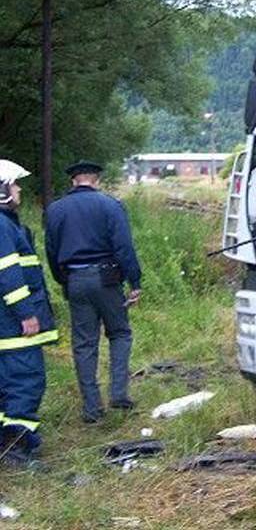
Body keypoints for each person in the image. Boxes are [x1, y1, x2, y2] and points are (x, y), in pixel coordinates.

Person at [45, 160, 141, 423]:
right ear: (95, 180)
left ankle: (92, 408)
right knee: (120, 333)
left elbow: (51, 251)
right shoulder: (111, 205)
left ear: (72, 181)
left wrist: (63, 280)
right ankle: (119, 394)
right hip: (107, 278)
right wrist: (135, 282)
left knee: (84, 344)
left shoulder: (55, 210)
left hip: (74, 278)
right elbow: (123, 247)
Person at [0, 160, 58, 466]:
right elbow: (8, 274)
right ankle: (17, 450)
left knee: (4, 387)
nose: (19, 189)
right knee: (26, 381)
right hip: (12, 328)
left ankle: (7, 443)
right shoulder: (2, 226)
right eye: (14, 184)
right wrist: (26, 313)